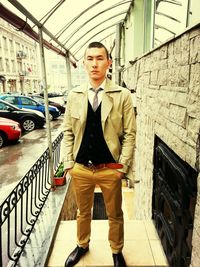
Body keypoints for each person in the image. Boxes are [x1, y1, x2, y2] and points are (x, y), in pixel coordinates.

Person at [62, 41, 136, 267]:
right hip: (82, 168)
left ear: (108, 63)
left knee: (115, 214)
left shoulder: (122, 95)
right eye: (90, 58)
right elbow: (67, 131)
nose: (95, 64)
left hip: (109, 169)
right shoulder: (74, 95)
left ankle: (116, 250)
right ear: (84, 63)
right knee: (83, 212)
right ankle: (82, 245)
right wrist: (68, 164)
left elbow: (130, 134)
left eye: (100, 58)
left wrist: (121, 168)